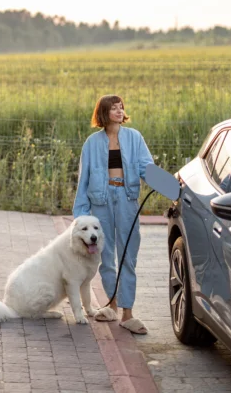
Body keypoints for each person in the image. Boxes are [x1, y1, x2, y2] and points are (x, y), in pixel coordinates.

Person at [72, 94, 154, 335]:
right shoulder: (91, 143)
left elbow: (146, 167)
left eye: (121, 108)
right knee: (105, 257)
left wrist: (171, 185)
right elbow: (83, 179)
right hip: (100, 201)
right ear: (103, 113)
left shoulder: (134, 137)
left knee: (128, 255)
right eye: (114, 108)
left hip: (127, 199)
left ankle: (128, 313)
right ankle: (112, 305)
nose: (119, 111)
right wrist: (80, 215)